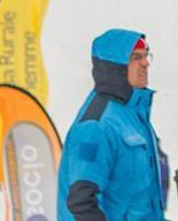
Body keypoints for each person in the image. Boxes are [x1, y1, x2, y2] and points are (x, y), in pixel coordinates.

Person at [56, 29, 170, 221]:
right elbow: (82, 203)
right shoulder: (95, 127)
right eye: (135, 58)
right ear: (114, 67)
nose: (145, 63)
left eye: (145, 56)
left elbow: (137, 201)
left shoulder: (133, 118)